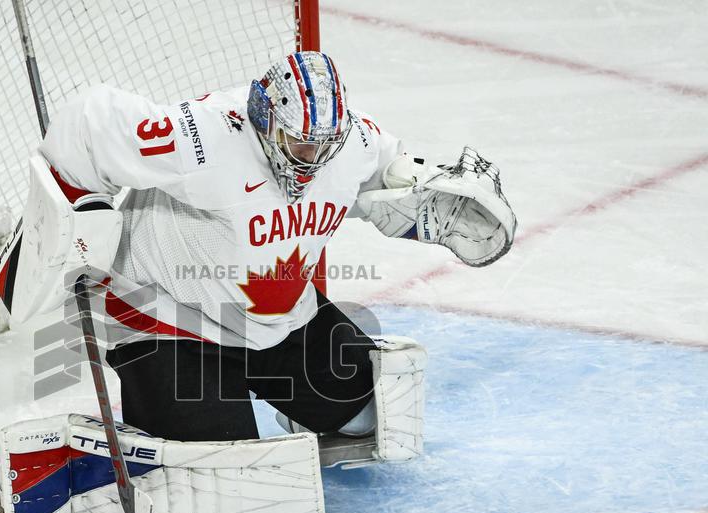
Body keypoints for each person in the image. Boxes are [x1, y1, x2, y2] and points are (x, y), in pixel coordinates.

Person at [29, 51, 516, 457]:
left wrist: (418, 192)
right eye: (299, 144)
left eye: (324, 146)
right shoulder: (202, 140)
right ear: (264, 118)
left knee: (372, 412)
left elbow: (381, 170)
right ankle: (109, 454)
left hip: (277, 322)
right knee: (227, 474)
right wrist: (70, 213)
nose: (312, 159)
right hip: (171, 324)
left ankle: (276, 398)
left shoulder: (349, 142)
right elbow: (92, 121)